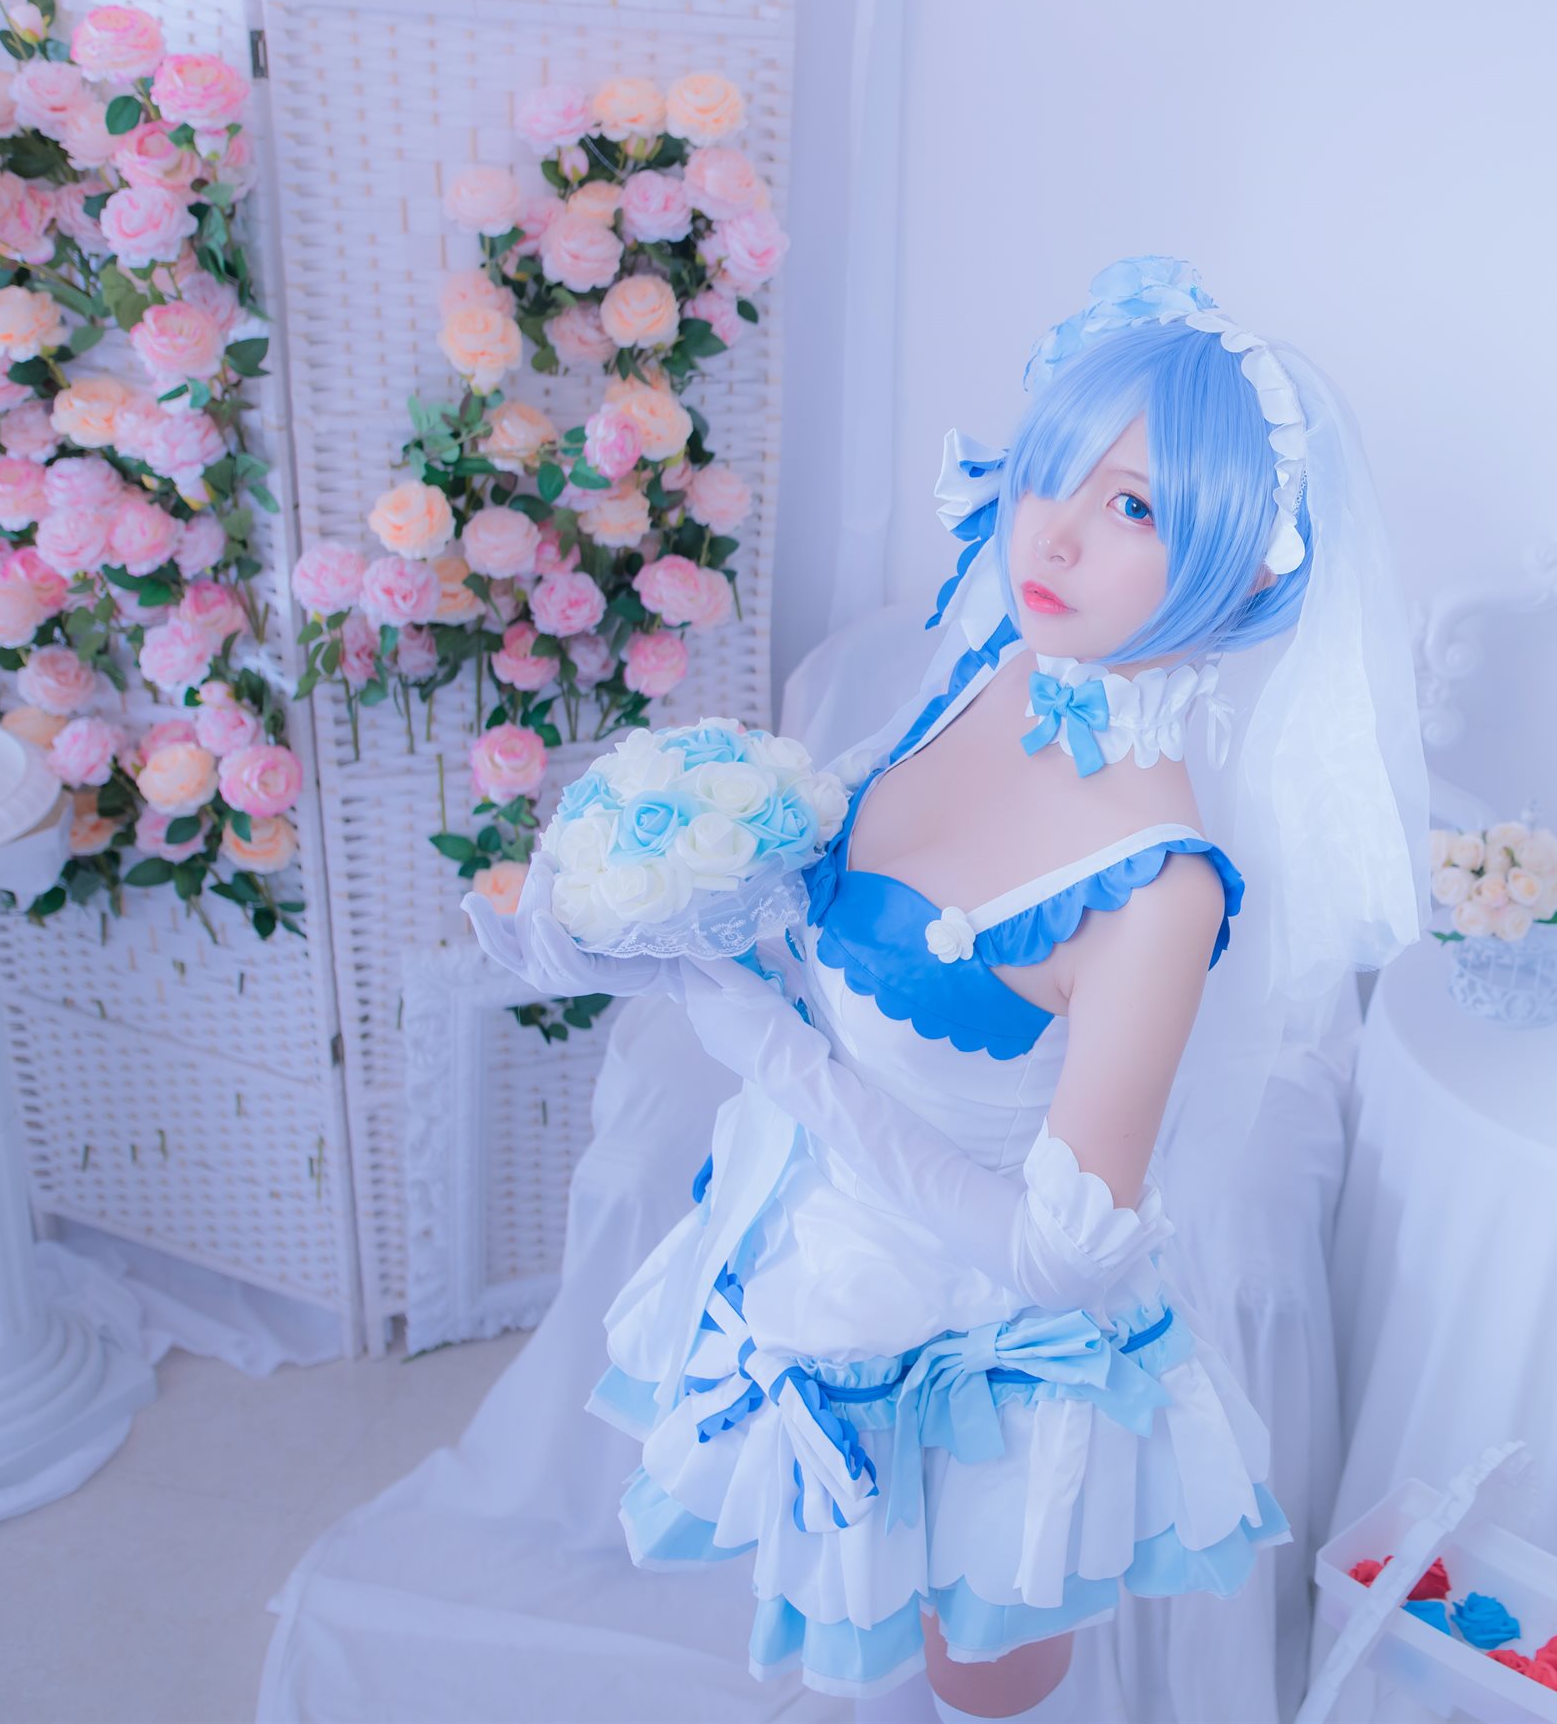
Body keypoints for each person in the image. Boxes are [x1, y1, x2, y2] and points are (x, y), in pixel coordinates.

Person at [472, 256, 1426, 1721]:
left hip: (955, 1336)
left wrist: (774, 1050)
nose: (1052, 530)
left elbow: (1061, 1259)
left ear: (1242, 562)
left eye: (1135, 507)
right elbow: (835, 882)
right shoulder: (1001, 656)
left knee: (979, 1680)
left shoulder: (1156, 890)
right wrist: (629, 920)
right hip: (805, 1229)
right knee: (864, 1648)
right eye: (1054, 469)